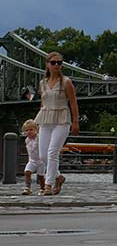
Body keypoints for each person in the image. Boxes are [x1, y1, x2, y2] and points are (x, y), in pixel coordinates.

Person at [33, 52, 80, 195]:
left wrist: (76, 122)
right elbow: (43, 103)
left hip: (62, 119)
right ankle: (58, 177)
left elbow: (73, 103)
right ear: (47, 64)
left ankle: (48, 185)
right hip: (46, 119)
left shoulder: (66, 82)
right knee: (42, 155)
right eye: (53, 62)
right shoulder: (42, 83)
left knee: (52, 152)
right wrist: (37, 121)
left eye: (59, 63)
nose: (56, 65)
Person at [20, 119, 45, 195]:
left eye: (31, 130)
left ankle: (42, 188)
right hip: (32, 160)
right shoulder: (27, 140)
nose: (29, 132)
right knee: (27, 172)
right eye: (26, 130)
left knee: (40, 175)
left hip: (41, 160)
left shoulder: (39, 138)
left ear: (36, 130)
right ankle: (28, 187)